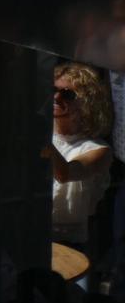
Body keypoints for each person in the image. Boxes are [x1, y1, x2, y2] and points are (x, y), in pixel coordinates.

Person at [53, 60, 113, 247]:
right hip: (26, 231)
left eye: (67, 94)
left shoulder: (97, 150)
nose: (56, 97)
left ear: (88, 103)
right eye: (52, 90)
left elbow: (65, 173)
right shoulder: (43, 135)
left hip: (68, 243)